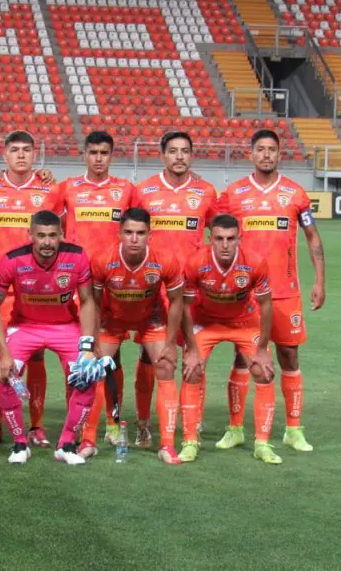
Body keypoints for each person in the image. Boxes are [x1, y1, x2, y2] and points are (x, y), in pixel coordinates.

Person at [218, 129, 326, 452]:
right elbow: (218, 239)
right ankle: (235, 427)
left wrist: (319, 281)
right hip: (247, 295)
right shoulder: (234, 195)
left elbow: (313, 238)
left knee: (289, 357)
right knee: (243, 357)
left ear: (280, 155)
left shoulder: (295, 194)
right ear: (251, 153)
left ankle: (294, 429)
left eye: (272, 150)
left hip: (286, 292)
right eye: (260, 149)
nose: (266, 155)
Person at [0, 131, 64, 448]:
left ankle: (36, 426)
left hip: (39, 290)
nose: (21, 155)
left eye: (27, 150)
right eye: (14, 150)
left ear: (35, 154)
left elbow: (65, 234)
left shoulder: (51, 189)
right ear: (5, 154)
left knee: (36, 356)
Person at [84, 208, 199, 465]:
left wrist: (170, 343)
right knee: (93, 369)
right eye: (128, 232)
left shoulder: (164, 260)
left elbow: (177, 302)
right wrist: (93, 339)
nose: (134, 238)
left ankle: (166, 445)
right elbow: (92, 300)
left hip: (151, 319)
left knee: (166, 367)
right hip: (112, 319)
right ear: (119, 234)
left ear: (150, 235)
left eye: (140, 233)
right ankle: (88, 441)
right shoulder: (103, 260)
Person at [130, 131, 220, 448]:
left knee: (194, 355)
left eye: (184, 151)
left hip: (194, 291)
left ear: (192, 155)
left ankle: (189, 421)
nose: (179, 156)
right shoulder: (144, 192)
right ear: (162, 155)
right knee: (150, 357)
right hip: (154, 291)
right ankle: (143, 424)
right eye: (173, 151)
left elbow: (222, 234)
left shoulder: (206, 192)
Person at [0, 210, 99, 465]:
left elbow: (87, 301)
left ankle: (67, 444)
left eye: (52, 236)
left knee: (87, 376)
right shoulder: (12, 260)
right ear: (30, 235)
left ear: (61, 234)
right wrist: (3, 353)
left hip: (65, 327)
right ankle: (19, 444)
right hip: (25, 327)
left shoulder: (77, 256)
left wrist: (87, 347)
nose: (47, 242)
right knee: (5, 374)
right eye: (41, 236)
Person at [181, 214, 280, 464]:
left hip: (245, 322)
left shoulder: (255, 262)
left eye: (231, 239)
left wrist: (262, 349)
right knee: (191, 370)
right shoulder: (195, 262)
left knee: (264, 371)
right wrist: (191, 349)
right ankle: (190, 441)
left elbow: (267, 306)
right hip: (206, 323)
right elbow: (184, 306)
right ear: (210, 239)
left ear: (240, 238)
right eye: (219, 239)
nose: (225, 245)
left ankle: (262, 444)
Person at [59, 130, 135, 445]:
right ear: (85, 155)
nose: (99, 158)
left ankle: (113, 422)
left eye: (104, 153)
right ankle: (78, 420)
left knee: (111, 358)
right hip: (78, 285)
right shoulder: (67, 188)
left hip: (114, 287)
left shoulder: (126, 190)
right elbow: (44, 223)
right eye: (93, 153)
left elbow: (143, 227)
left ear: (111, 155)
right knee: (78, 357)